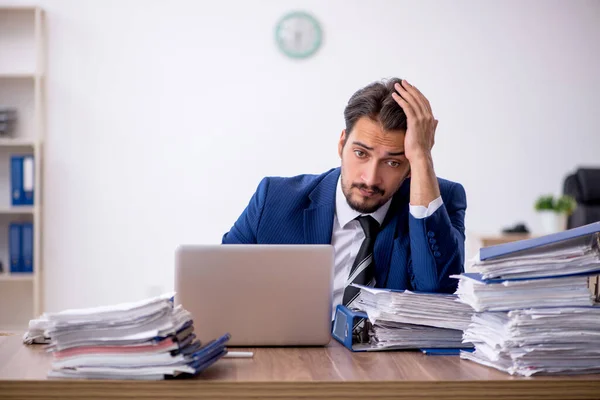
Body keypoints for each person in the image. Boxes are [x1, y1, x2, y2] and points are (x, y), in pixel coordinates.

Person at [222, 77, 467, 312]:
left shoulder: (439, 203)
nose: (370, 179)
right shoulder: (274, 200)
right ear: (342, 144)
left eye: (392, 163)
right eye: (361, 154)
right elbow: (221, 284)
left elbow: (439, 293)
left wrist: (422, 157)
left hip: (392, 356)